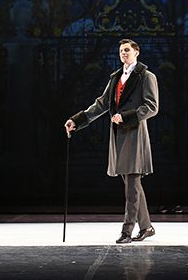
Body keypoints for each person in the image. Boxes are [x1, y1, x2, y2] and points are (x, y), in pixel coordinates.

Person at [65, 38, 159, 244]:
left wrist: (126, 116)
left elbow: (152, 107)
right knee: (132, 185)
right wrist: (77, 120)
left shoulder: (146, 76)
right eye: (121, 51)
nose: (123, 53)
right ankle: (147, 227)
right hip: (119, 135)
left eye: (127, 50)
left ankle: (127, 231)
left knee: (132, 186)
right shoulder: (116, 77)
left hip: (134, 134)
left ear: (137, 52)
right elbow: (101, 104)